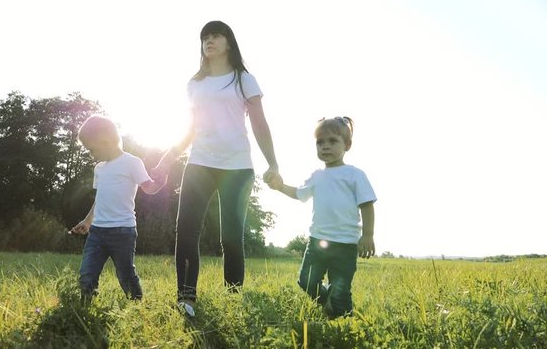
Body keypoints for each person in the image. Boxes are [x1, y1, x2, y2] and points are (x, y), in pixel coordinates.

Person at [153, 20, 280, 317]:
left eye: (216, 36)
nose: (209, 41)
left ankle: (232, 299)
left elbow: (260, 124)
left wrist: (273, 162)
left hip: (237, 168)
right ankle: (186, 298)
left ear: (229, 43)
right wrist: (166, 159)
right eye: (205, 37)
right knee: (185, 231)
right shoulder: (195, 84)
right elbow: (191, 129)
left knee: (231, 238)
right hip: (199, 164)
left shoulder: (243, 80)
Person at [267, 116, 376, 318]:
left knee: (341, 289)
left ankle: (344, 324)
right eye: (320, 142)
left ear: (347, 145)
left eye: (332, 141)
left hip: (346, 244)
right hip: (317, 241)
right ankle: (328, 302)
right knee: (306, 280)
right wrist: (280, 186)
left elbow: (367, 205)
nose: (325, 146)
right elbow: (299, 194)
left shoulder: (355, 175)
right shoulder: (317, 176)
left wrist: (367, 235)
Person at [69, 114, 167, 304]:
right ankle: (84, 307)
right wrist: (87, 221)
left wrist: (159, 183)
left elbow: (148, 187)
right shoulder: (99, 168)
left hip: (123, 232)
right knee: (87, 274)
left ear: (104, 141)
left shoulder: (132, 162)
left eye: (91, 149)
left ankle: (137, 304)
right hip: (97, 232)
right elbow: (100, 199)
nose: (91, 155)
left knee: (125, 275)